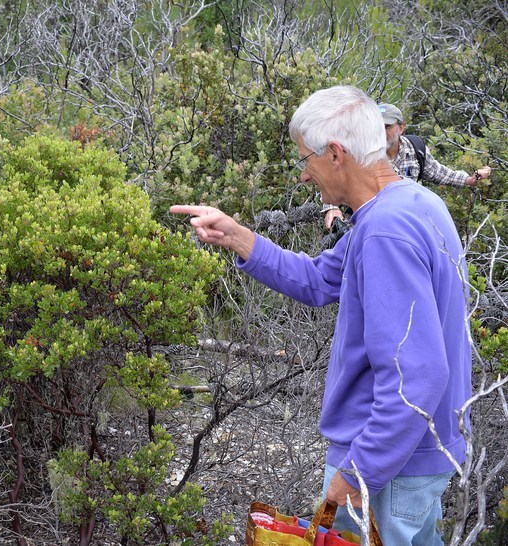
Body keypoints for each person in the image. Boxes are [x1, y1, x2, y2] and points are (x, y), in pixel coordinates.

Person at [171, 85, 471, 545]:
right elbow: (318, 281)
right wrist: (237, 237)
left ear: (335, 154)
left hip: (387, 466)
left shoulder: (384, 232)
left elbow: (419, 376)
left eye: (305, 159)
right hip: (410, 456)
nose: (305, 176)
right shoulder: (411, 205)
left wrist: (357, 472)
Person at [322, 101, 492, 230]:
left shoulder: (415, 149)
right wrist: (332, 208)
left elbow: (439, 173)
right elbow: (332, 179)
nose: (381, 132)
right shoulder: (358, 153)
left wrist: (469, 179)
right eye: (376, 127)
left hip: (405, 225)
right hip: (366, 225)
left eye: (387, 126)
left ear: (401, 127)